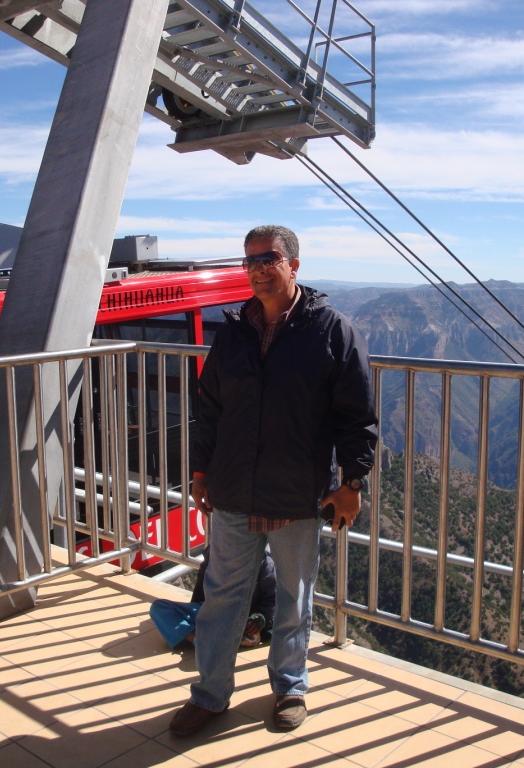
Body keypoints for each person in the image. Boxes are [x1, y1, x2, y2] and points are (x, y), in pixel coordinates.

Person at [168, 224, 378, 737]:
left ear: (294, 266)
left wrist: (352, 483)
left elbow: (357, 415)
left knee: (294, 597)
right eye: (251, 261)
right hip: (234, 489)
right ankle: (210, 695)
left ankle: (290, 688)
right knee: (221, 598)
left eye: (269, 259)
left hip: (298, 493)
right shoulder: (235, 331)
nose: (258, 269)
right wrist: (201, 470)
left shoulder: (332, 331)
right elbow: (210, 408)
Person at [149, 546, 276, 650]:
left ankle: (223, 637)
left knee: (250, 631)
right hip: (211, 610)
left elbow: (274, 598)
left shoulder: (264, 561)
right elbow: (201, 585)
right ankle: (197, 638)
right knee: (158, 608)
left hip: (242, 617)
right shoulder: (215, 551)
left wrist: (260, 618)